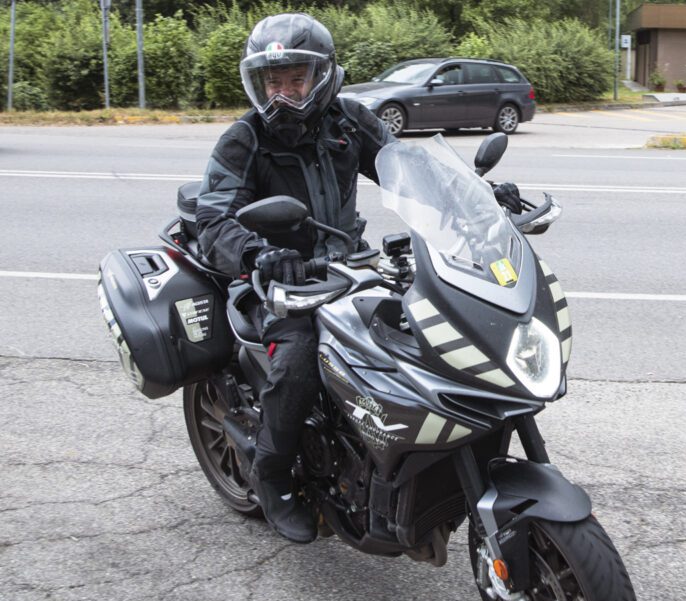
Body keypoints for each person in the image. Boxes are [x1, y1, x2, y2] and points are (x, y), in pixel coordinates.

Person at [196, 13, 520, 544]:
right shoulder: (244, 139)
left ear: (323, 75)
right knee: (298, 360)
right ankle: (272, 477)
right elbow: (212, 220)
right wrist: (260, 254)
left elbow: (410, 170)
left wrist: (478, 198)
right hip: (274, 282)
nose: (282, 93)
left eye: (295, 78)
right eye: (272, 82)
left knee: (427, 333)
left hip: (348, 266)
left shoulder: (349, 121)